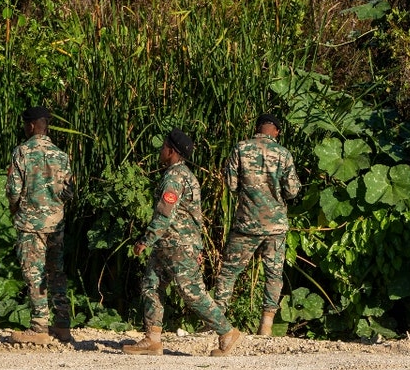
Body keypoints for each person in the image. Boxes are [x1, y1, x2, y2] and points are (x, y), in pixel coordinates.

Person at [123, 129, 241, 357]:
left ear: (172, 151)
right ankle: (152, 339)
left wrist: (145, 240)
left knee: (191, 292)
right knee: (151, 286)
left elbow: (165, 214)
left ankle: (227, 332)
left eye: (164, 146)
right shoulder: (184, 175)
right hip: (170, 246)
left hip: (178, 245)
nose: (160, 150)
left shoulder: (175, 178)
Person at [212, 113, 301, 335]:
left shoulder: (240, 149)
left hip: (246, 224)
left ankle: (217, 324)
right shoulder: (283, 154)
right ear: (276, 131)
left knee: (229, 272)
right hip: (275, 226)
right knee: (273, 274)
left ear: (258, 128)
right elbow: (292, 191)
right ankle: (266, 326)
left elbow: (231, 185)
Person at [6, 106, 73, 345]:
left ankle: (39, 326)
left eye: (26, 124)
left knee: (34, 273)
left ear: (32, 125)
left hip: (30, 223)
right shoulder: (61, 155)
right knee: (56, 273)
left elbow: (13, 190)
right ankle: (63, 324)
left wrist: (16, 209)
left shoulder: (22, 152)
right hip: (55, 224)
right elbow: (69, 192)